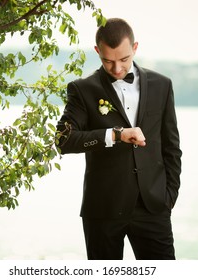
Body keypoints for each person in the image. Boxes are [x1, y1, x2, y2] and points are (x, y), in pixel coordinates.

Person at [56, 18, 182, 260]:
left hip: (153, 206)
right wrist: (115, 135)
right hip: (103, 209)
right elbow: (64, 140)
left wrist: (169, 197)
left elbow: (171, 147)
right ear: (97, 52)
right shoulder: (82, 89)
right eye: (107, 60)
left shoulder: (162, 85)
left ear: (135, 48)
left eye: (124, 59)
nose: (116, 69)